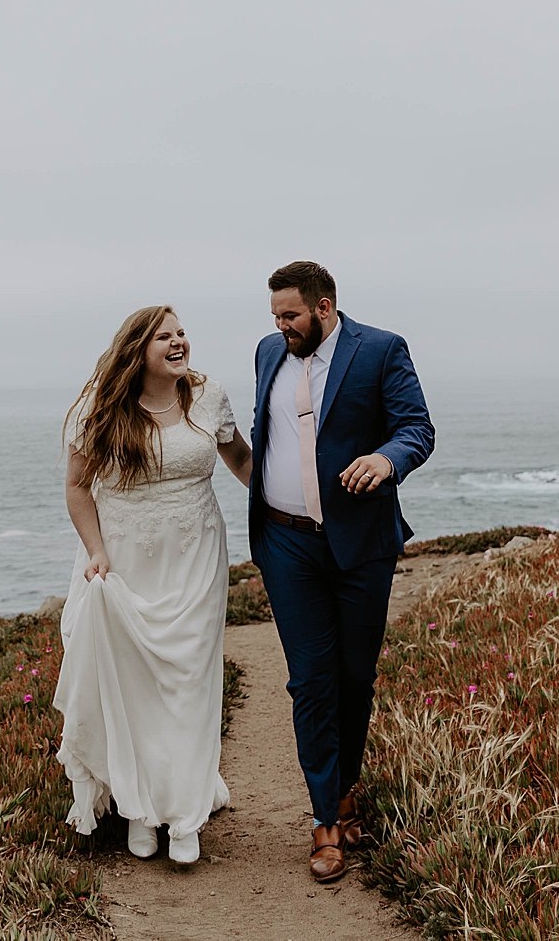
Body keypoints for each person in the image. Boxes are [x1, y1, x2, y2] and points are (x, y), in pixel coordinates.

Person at [248, 261, 433, 882]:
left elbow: (417, 428)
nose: (281, 327)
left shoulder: (381, 350)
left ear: (324, 307)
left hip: (361, 544)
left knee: (356, 677)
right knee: (311, 680)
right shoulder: (266, 353)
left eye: (291, 315)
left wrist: (386, 458)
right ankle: (326, 818)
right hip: (286, 545)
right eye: (275, 316)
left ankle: (347, 787)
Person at [51, 304, 253, 864]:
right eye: (165, 335)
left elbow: (237, 456)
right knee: (135, 684)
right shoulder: (100, 406)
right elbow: (76, 485)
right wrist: (95, 551)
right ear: (137, 347)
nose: (179, 342)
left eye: (182, 332)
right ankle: (140, 810)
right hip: (123, 561)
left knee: (189, 680)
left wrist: (289, 503)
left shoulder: (208, 395)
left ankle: (185, 817)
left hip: (195, 556)